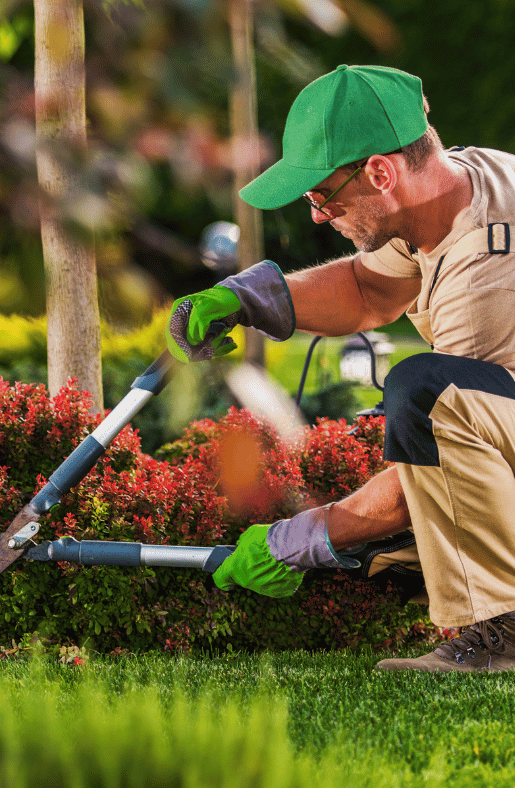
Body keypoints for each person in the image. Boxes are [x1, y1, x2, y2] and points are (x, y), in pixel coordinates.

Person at [167, 64, 515, 673]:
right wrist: (249, 299)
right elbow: (368, 289)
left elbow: (443, 456)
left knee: (421, 394)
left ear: (381, 171)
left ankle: (506, 634)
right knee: (394, 549)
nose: (318, 217)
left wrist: (296, 542)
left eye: (322, 195)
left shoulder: (488, 265)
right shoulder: (456, 185)